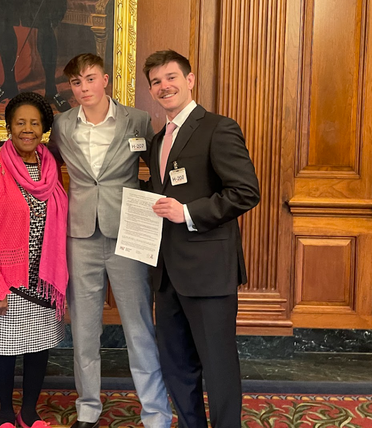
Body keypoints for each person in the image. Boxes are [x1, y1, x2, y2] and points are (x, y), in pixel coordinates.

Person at [48, 54, 172, 428]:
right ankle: (88, 409)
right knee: (84, 328)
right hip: (80, 234)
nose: (83, 88)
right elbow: (50, 168)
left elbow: (160, 166)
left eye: (89, 79)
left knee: (138, 326)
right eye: (75, 83)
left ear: (105, 80)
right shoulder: (63, 125)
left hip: (130, 233)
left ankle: (155, 413)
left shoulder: (137, 120)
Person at [144, 50, 260, 428]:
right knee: (177, 365)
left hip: (209, 273)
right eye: (157, 81)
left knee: (219, 367)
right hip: (166, 274)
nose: (165, 86)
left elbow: (245, 191)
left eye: (171, 77)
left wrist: (188, 213)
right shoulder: (157, 139)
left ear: (190, 80)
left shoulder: (218, 128)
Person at [0, 91, 69, 428]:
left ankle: (29, 413)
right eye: (20, 122)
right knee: (5, 348)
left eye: (35, 123)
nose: (28, 129)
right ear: (8, 127)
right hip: (6, 279)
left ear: (44, 129)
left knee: (38, 347)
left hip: (43, 276)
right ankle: (6, 413)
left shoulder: (51, 167)